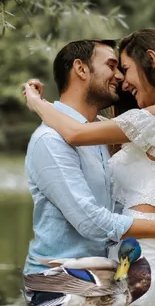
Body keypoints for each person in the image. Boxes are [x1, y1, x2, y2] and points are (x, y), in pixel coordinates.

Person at [23, 38, 155, 306]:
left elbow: (76, 131)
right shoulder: (55, 139)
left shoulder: (100, 134)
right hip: (64, 286)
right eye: (112, 65)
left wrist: (37, 103)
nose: (119, 77)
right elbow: (90, 221)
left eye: (124, 68)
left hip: (107, 278)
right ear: (81, 69)